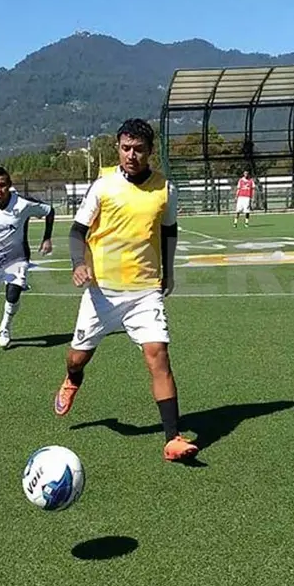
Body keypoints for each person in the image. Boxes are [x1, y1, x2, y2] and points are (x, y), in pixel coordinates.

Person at [53, 118, 198, 463]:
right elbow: (77, 231)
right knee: (77, 357)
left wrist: (168, 271)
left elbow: (169, 230)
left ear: (150, 151)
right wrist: (78, 263)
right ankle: (73, 378)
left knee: (158, 354)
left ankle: (172, 438)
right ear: (118, 148)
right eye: (125, 148)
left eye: (138, 149)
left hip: (145, 291)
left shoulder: (165, 189)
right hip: (102, 292)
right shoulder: (103, 187)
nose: (131, 155)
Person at [0, 167, 55, 348]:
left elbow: (49, 211)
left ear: (9, 185)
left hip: (18, 258)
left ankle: (5, 328)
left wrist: (47, 238)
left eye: (2, 185)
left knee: (13, 293)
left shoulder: (22, 203)